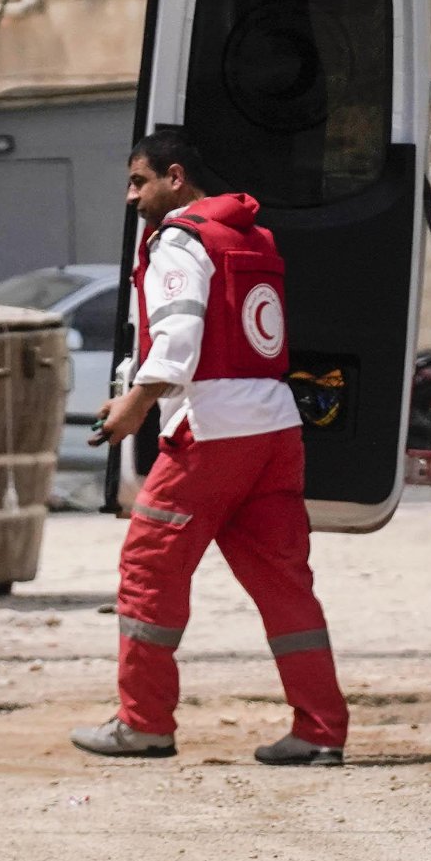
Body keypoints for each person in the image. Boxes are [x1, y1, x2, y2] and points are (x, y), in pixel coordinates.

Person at [73, 131, 348, 766]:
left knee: (148, 572)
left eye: (139, 181)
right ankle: (319, 731)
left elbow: (178, 337)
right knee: (286, 587)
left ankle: (143, 724)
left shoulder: (179, 237)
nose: (130, 195)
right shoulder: (251, 236)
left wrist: (133, 406)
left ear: (175, 177)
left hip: (212, 434)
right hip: (275, 431)